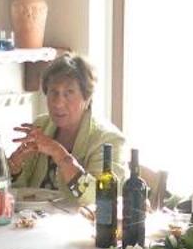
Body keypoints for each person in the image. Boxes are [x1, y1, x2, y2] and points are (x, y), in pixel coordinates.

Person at [8, 54, 123, 201]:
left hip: (80, 222)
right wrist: (15, 168)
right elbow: (19, 190)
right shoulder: (41, 125)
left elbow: (101, 199)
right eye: (53, 92)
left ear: (87, 98)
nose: (58, 103)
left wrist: (58, 153)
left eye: (68, 93)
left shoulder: (109, 140)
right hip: (36, 220)